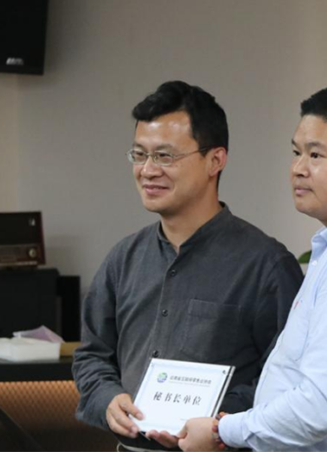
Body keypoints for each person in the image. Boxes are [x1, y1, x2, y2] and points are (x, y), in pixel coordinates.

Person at [178, 83, 327, 452]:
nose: (298, 169)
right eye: (296, 152)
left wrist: (221, 431)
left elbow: (320, 406)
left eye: (316, 155)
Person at [72, 81, 303, 450]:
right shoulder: (124, 258)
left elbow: (286, 376)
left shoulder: (266, 266)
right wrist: (107, 399)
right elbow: (92, 354)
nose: (148, 170)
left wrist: (221, 421)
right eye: (139, 155)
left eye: (165, 156)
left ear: (215, 160)